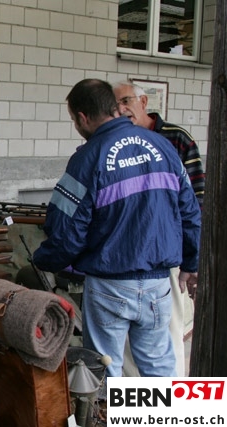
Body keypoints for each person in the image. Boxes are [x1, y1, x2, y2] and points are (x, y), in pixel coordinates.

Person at [33, 79, 201, 378]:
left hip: (109, 284)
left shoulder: (87, 158)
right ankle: (161, 408)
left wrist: (44, 261)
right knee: (159, 366)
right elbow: (190, 211)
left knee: (105, 368)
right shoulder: (162, 146)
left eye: (74, 120)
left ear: (82, 117)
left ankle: (113, 407)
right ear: (114, 107)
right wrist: (191, 262)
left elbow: (66, 231)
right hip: (158, 283)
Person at [113, 81, 205, 376]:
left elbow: (196, 202)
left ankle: (170, 402)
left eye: (126, 101)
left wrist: (192, 258)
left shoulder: (176, 138)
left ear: (143, 102)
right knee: (129, 349)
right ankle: (136, 404)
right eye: (115, 105)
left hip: (167, 256)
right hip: (128, 257)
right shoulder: (116, 141)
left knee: (167, 337)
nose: (121, 109)